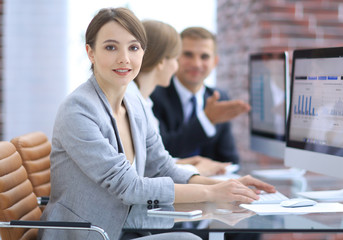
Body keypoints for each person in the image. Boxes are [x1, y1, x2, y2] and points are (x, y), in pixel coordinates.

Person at [38, 7, 275, 240]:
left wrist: (228, 186)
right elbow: (129, 187)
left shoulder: (134, 100)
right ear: (90, 52)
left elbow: (162, 167)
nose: (124, 58)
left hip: (128, 225)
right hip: (89, 233)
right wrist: (212, 192)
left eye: (134, 47)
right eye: (110, 47)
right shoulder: (78, 110)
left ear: (143, 52)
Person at [127, 19, 230, 177]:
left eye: (204, 56)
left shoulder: (145, 102)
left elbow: (154, 161)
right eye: (178, 58)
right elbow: (146, 173)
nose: (195, 64)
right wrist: (197, 172)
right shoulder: (138, 102)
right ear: (161, 61)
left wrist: (180, 164)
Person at [151, 27, 251, 163]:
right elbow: (161, 152)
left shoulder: (219, 98)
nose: (196, 64)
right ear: (176, 57)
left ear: (215, 62)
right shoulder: (154, 96)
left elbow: (229, 160)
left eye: (204, 57)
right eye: (188, 55)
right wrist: (206, 120)